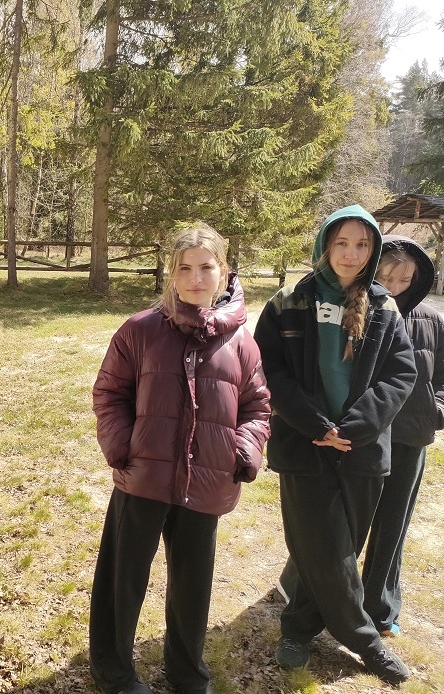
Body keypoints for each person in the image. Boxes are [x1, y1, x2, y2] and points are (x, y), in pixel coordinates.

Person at [89, 223, 270, 694]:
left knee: (192, 586)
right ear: (171, 273)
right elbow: (110, 392)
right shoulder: (140, 330)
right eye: (184, 268)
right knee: (123, 580)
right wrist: (122, 447)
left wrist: (242, 451)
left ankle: (187, 673)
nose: (195, 278)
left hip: (207, 481)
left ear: (224, 271)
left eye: (206, 267)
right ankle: (113, 671)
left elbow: (257, 406)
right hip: (144, 476)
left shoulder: (242, 342)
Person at [254, 205, 416, 684]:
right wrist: (315, 424)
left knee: (337, 548)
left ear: (373, 251)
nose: (351, 254)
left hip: (361, 449)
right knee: (323, 546)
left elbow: (401, 373)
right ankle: (365, 640)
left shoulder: (384, 307)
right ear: (325, 244)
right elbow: (269, 369)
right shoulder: (288, 302)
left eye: (362, 245)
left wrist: (356, 428)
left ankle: (299, 628)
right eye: (342, 242)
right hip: (306, 444)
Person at [361, 235, 444, 638]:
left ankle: (379, 608)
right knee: (344, 523)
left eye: (404, 279)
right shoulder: (355, 312)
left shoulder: (432, 320)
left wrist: (436, 410)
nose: (394, 288)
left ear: (418, 278)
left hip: (410, 438)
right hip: (362, 436)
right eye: (386, 277)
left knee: (392, 526)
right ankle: (311, 592)